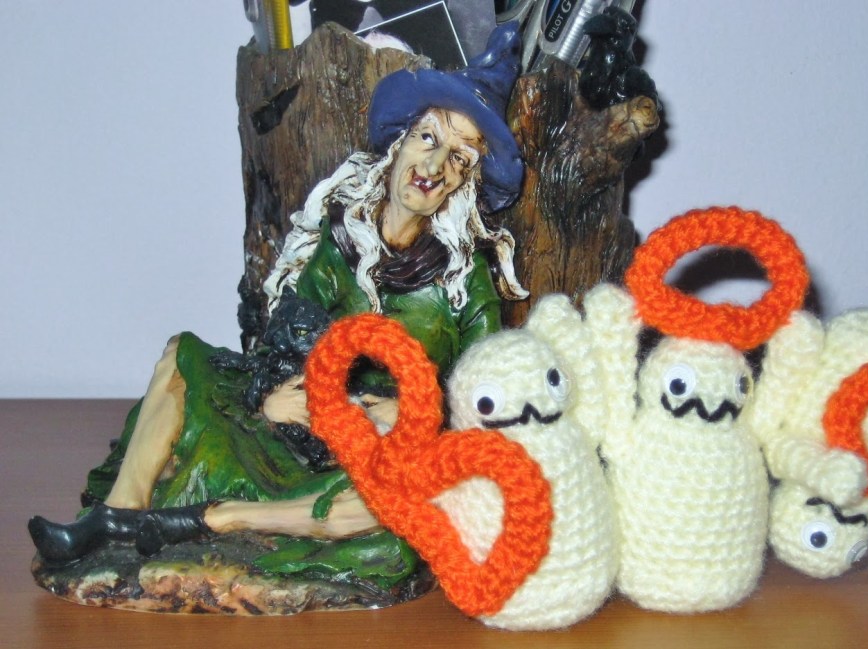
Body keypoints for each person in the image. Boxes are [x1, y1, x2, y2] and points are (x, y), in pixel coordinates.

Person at [29, 24, 527, 582]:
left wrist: (407, 414)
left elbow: (488, 390)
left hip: (381, 451)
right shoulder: (343, 244)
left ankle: (219, 520)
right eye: (428, 139)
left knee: (383, 511)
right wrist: (274, 394)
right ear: (399, 145)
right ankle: (119, 515)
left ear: (465, 184)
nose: (434, 167)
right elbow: (288, 337)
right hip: (308, 423)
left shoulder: (463, 278)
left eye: (460, 159)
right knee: (182, 357)